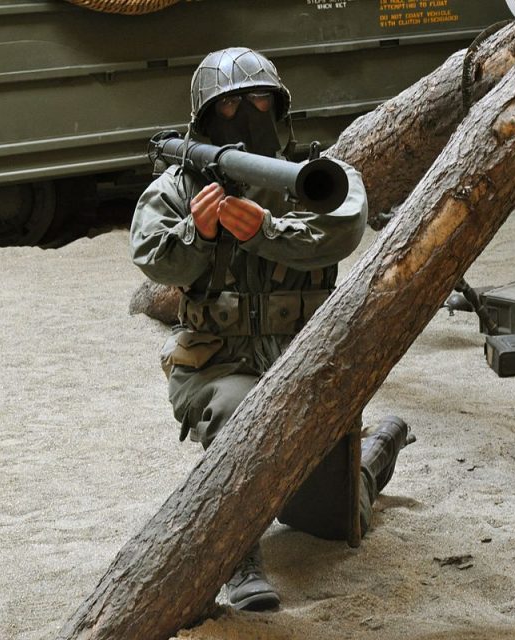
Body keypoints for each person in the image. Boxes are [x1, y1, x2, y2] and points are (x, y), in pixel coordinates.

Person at [130, 47, 412, 612]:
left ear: (280, 108)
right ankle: (238, 558)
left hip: (304, 363)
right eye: (230, 105)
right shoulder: (178, 189)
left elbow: (341, 229)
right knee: (238, 416)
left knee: (334, 522)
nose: (247, 113)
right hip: (219, 365)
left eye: (259, 99)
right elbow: (154, 257)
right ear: (206, 117)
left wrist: (265, 229)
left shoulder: (316, 176)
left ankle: (377, 450)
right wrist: (199, 232)